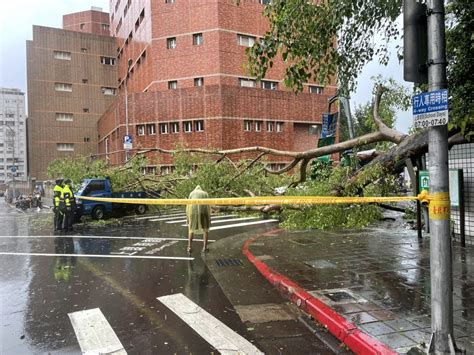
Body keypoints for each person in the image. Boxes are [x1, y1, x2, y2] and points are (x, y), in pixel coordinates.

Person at [186, 185, 211, 254]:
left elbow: (188, 205)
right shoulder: (205, 193)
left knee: (191, 229)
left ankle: (189, 247)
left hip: (193, 213)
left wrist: (187, 217)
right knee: (205, 229)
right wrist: (209, 215)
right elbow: (208, 205)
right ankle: (205, 247)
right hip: (203, 212)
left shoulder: (191, 193)